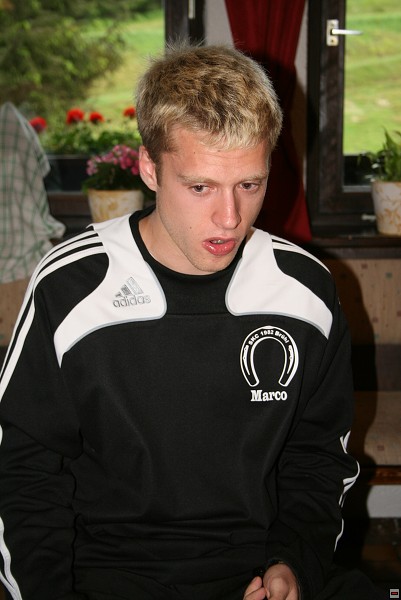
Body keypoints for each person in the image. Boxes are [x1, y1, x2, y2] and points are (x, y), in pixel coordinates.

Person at [0, 44, 384, 600]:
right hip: (109, 577)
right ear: (150, 168)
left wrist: (294, 564)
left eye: (249, 185)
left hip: (257, 570)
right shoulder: (71, 286)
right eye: (200, 187)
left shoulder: (306, 291)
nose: (229, 218)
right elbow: (24, 473)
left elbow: (318, 459)